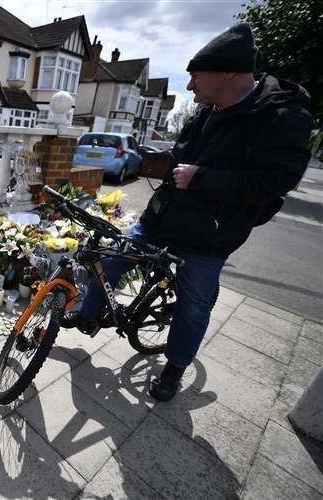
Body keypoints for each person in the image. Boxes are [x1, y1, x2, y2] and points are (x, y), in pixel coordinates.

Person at [62, 23, 312, 401]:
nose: (191, 85)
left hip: (209, 238)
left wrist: (202, 179)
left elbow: (272, 184)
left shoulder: (282, 118)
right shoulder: (206, 115)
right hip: (161, 222)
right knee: (110, 261)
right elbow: (176, 166)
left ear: (227, 71)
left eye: (195, 76)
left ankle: (174, 369)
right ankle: (87, 316)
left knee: (193, 306)